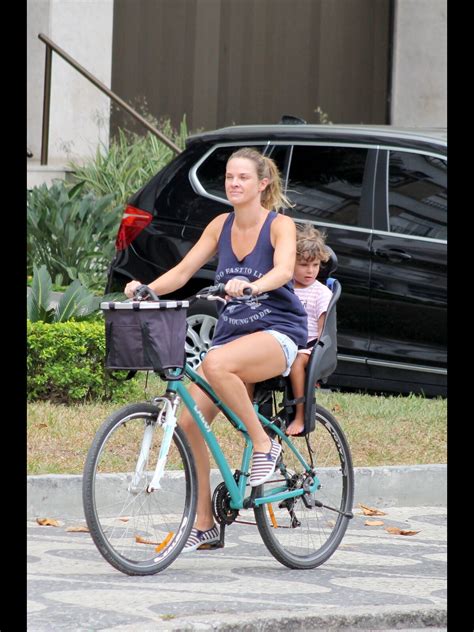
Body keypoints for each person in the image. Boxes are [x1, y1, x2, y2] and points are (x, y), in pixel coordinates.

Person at [124, 147, 308, 551]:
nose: (234, 184)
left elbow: (282, 270)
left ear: (262, 184)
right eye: (228, 177)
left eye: (242, 178)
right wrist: (147, 288)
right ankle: (205, 524)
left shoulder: (280, 226)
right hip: (232, 338)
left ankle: (264, 444)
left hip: (278, 334)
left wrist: (254, 286)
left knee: (215, 361)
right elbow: (184, 271)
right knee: (189, 422)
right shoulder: (220, 225)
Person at [285, 223, 333, 436]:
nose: (310, 271)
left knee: (296, 361)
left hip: (308, 346)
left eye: (314, 265)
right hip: (283, 341)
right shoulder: (284, 288)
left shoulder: (320, 293)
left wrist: (315, 353)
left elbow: (324, 330)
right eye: (304, 265)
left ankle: (300, 414)